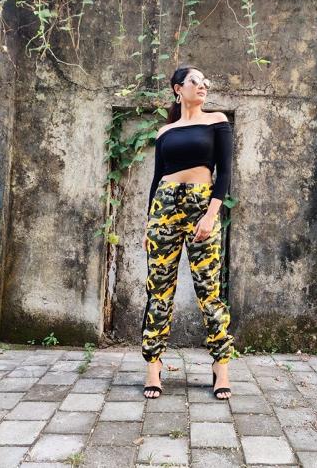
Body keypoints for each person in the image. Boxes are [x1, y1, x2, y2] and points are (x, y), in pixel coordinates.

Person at [141, 65, 235, 400]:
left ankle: (220, 366)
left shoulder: (217, 121)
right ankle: (153, 365)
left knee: (209, 290)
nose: (203, 85)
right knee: (159, 290)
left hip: (201, 205)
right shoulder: (165, 131)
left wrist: (211, 214)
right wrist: (148, 223)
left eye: (206, 81)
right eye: (195, 80)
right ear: (178, 88)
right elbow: (157, 179)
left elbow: (224, 173)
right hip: (163, 209)